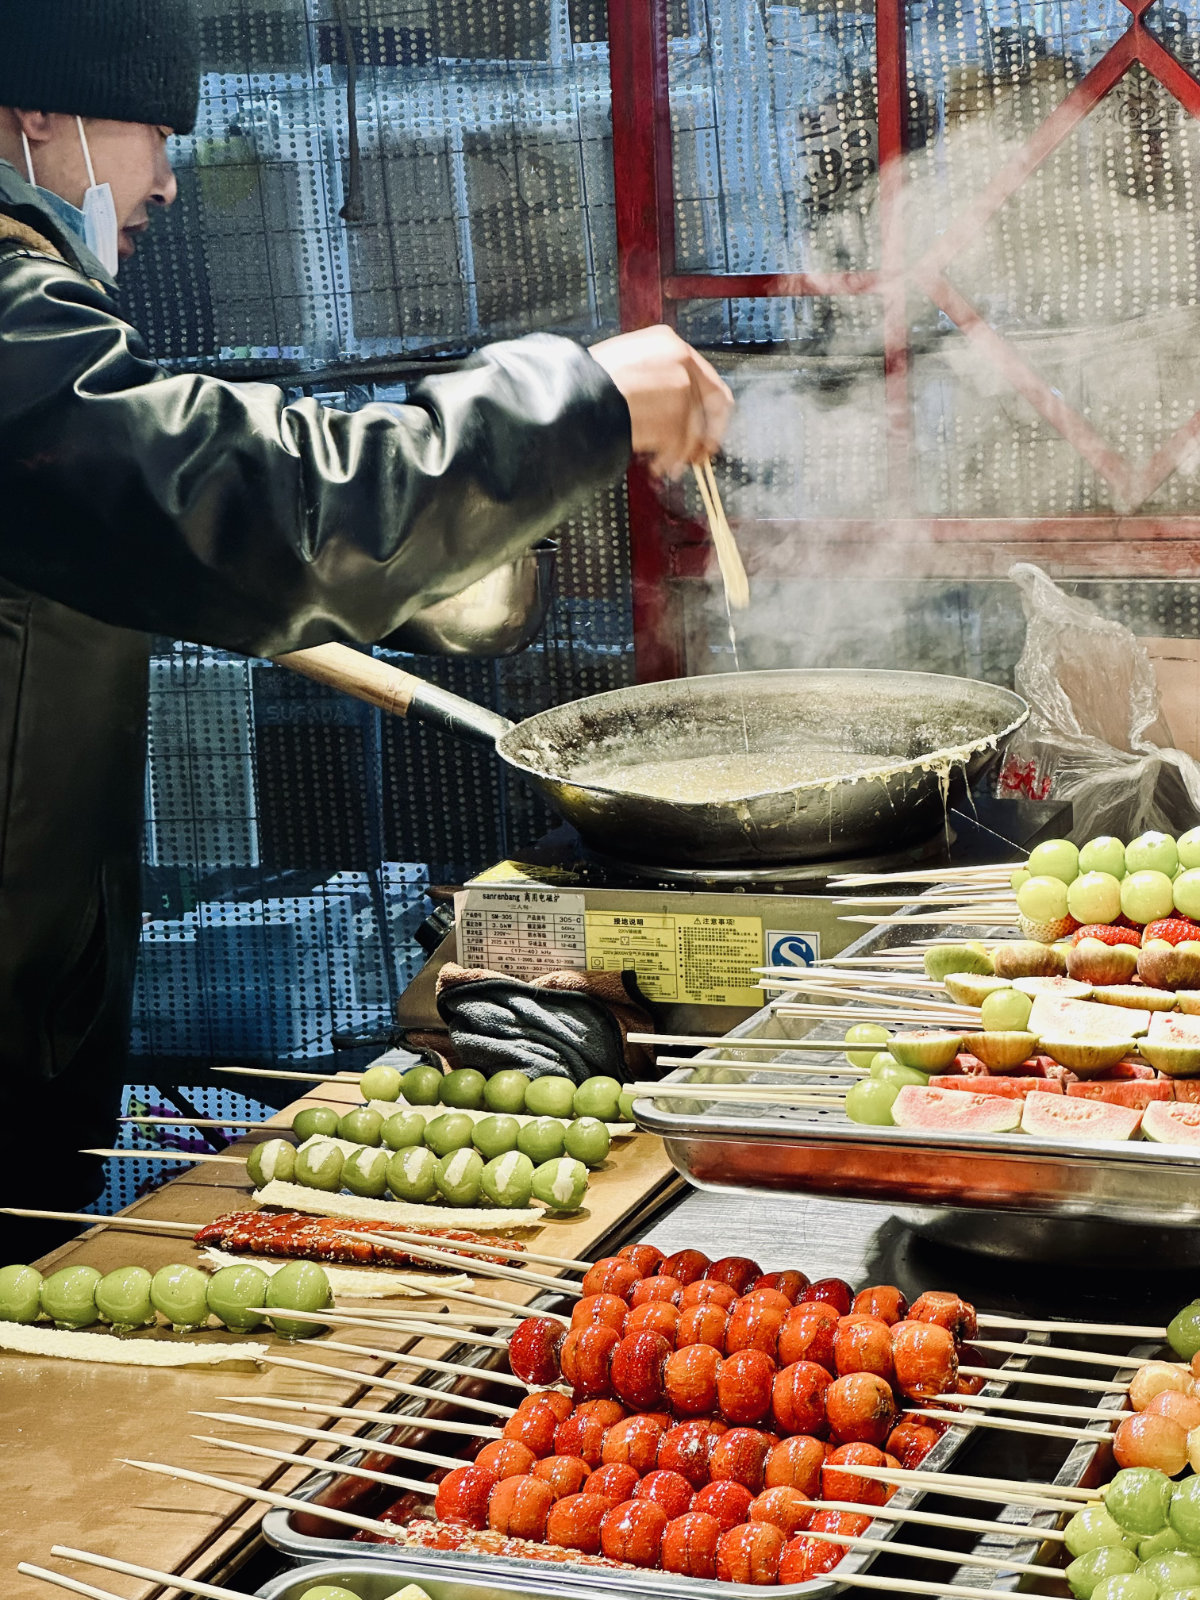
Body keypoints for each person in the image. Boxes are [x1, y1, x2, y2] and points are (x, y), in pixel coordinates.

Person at [0, 0, 733, 1261]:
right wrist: (573, 400)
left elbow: (166, 532)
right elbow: (237, 496)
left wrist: (437, 571)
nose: (168, 180)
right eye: (154, 131)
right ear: (34, 115)